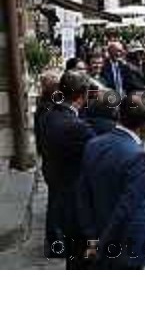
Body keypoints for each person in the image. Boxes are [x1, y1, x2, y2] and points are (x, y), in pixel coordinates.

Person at [78, 94, 145, 270]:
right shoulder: (136, 155)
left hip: (97, 234)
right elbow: (126, 208)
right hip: (125, 247)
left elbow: (82, 193)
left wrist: (92, 236)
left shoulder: (93, 144)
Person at [37, 71, 95, 268]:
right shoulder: (76, 127)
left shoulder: (48, 114)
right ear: (83, 95)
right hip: (76, 202)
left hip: (58, 187)